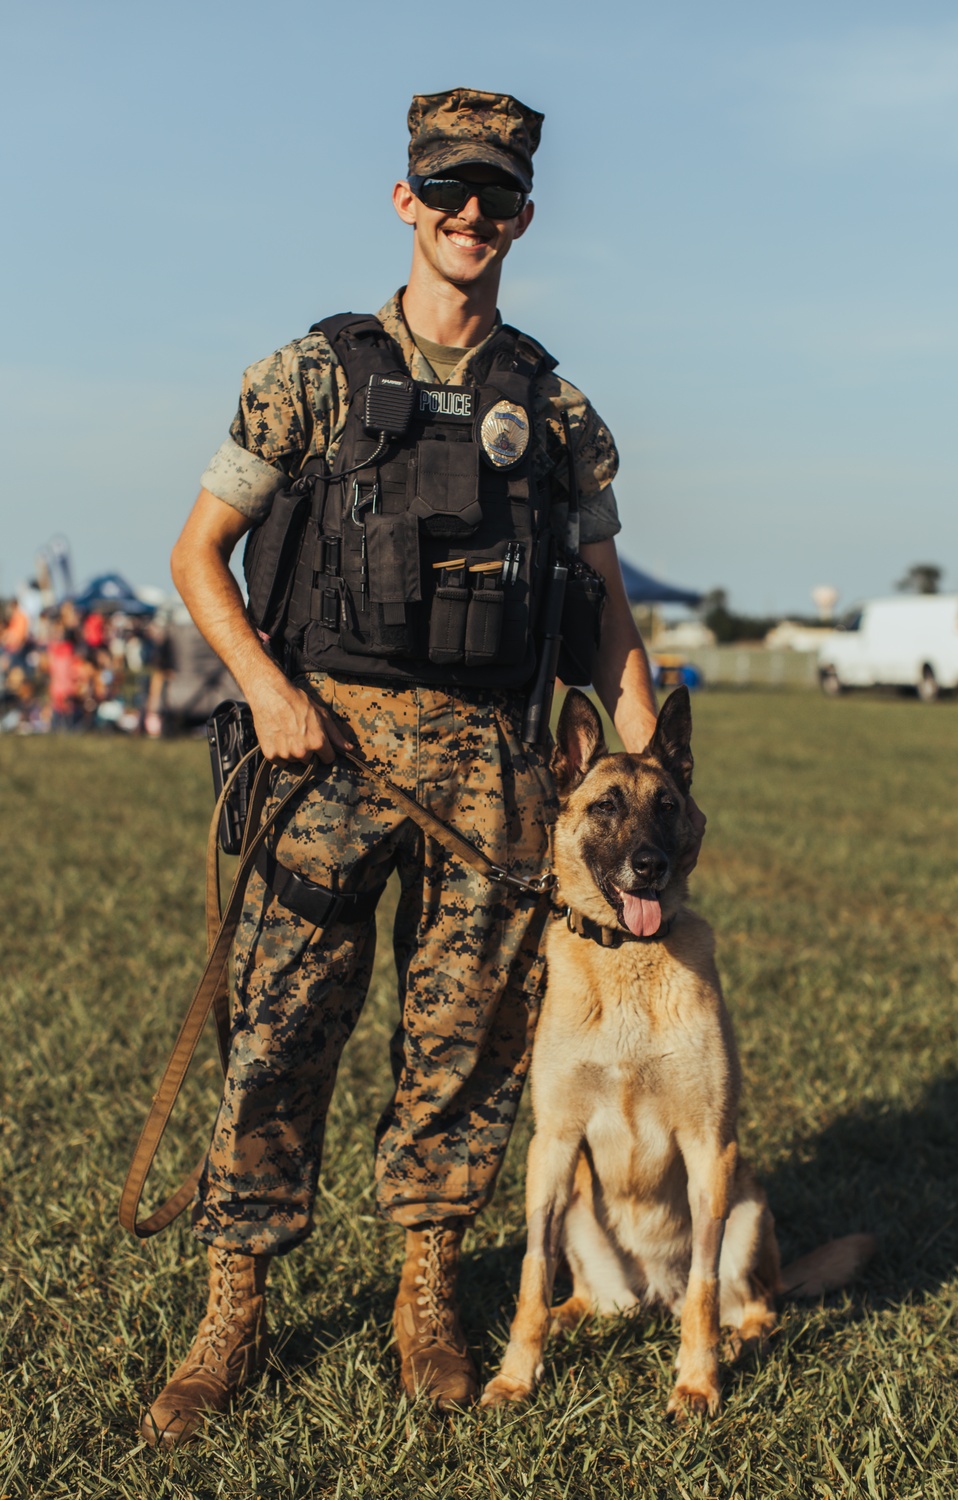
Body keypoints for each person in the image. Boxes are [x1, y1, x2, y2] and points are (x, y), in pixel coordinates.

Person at [142, 87, 706, 1446]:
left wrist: (640, 771)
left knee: (462, 1052)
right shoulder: (313, 375)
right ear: (406, 201)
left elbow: (607, 603)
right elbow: (194, 556)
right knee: (279, 1039)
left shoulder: (557, 408)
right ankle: (232, 1310)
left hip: (498, 776)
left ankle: (426, 1301)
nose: (470, 216)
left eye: (495, 196)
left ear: (523, 213)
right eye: (446, 192)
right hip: (326, 752)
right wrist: (269, 691)